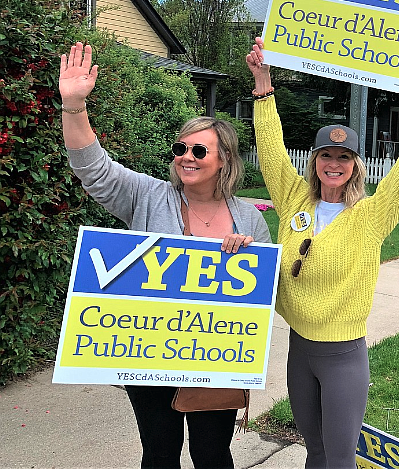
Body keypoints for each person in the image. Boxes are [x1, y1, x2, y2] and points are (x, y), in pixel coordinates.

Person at [59, 41, 271, 469]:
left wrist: (250, 256)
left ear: (224, 159)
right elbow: (93, 168)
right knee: (159, 453)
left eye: (198, 151)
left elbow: (267, 291)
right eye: (180, 149)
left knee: (212, 454)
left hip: (215, 358)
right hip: (150, 354)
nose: (185, 159)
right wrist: (74, 107)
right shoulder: (147, 195)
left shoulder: (248, 219)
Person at [245, 37, 399, 468]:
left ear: (356, 164)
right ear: (315, 159)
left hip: (342, 357)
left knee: (339, 459)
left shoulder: (370, 216)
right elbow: (272, 150)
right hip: (300, 351)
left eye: (344, 157)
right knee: (313, 451)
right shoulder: (295, 199)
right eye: (326, 155)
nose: (334, 163)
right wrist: (263, 83)